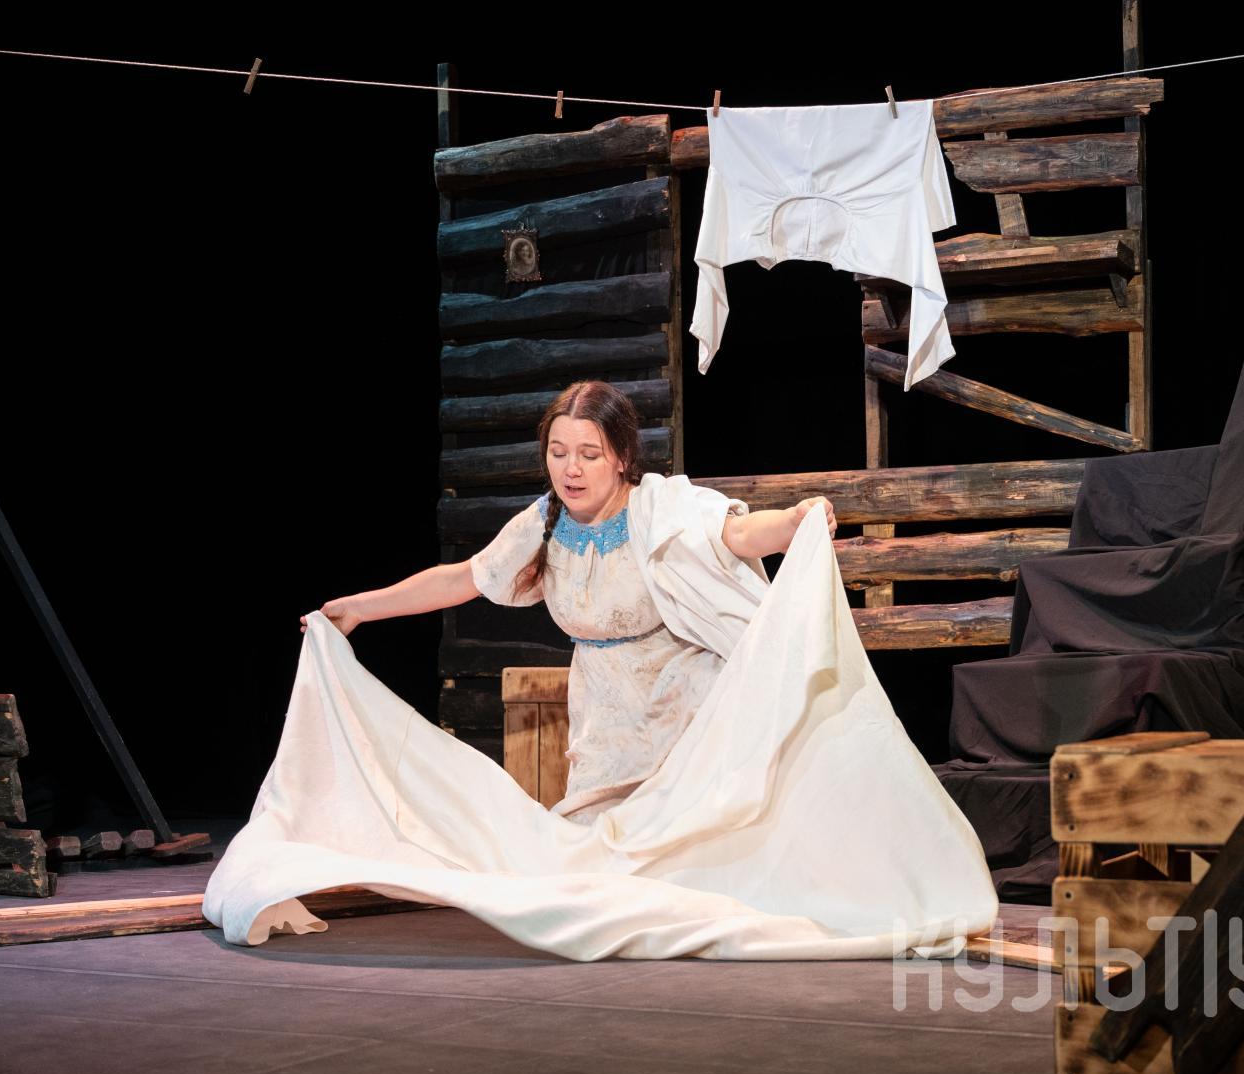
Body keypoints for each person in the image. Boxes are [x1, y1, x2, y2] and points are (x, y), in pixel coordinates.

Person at [202, 380, 998, 961]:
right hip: (607, 723)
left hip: (687, 712)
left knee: (697, 869)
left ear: (620, 458)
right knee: (593, 876)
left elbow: (732, 535)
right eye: (558, 452)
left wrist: (792, 522)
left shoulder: (658, 510)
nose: (571, 468)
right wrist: (361, 608)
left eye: (588, 454)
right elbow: (464, 577)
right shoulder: (544, 525)